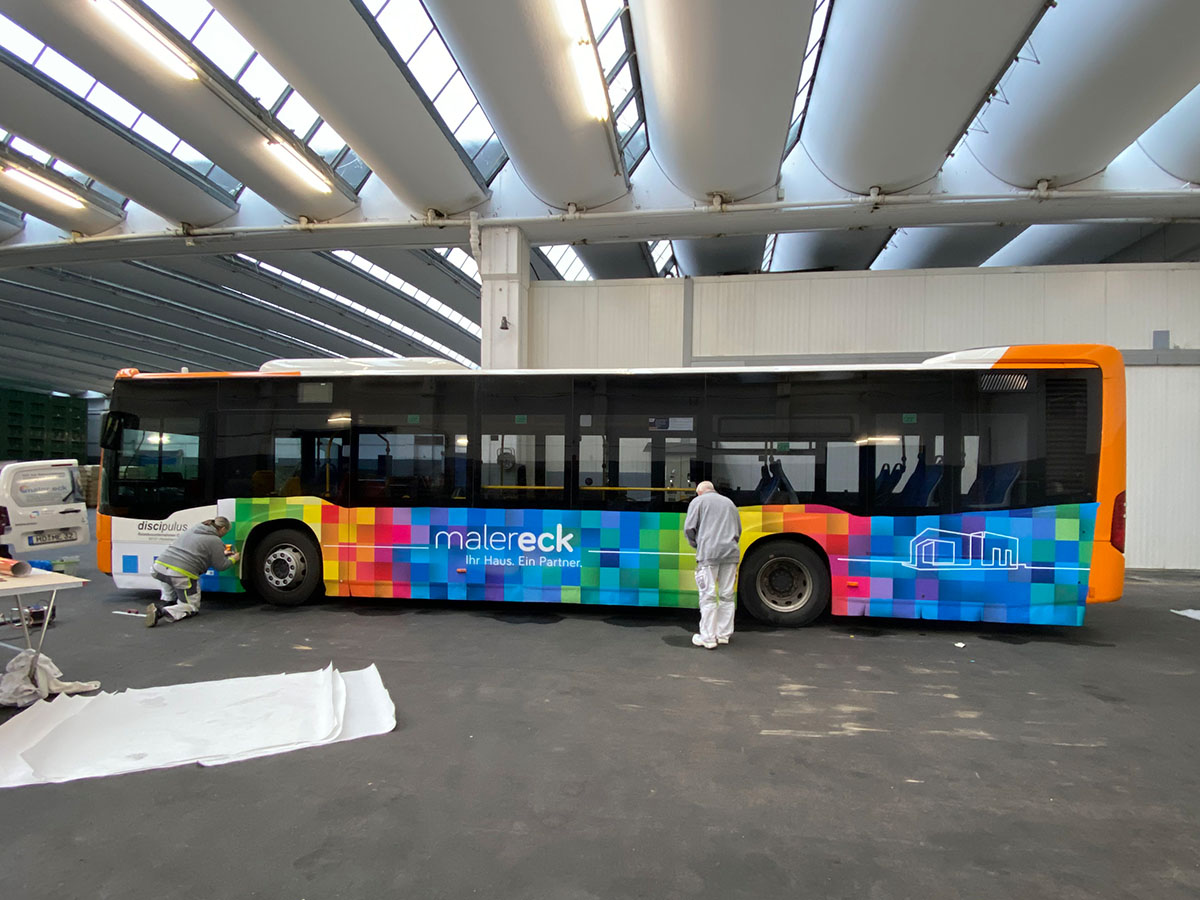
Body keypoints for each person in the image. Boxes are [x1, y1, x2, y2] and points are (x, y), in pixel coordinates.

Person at [146, 516, 240, 627]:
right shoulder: (215, 540)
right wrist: (234, 559)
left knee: (169, 580)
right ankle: (161, 612)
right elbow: (221, 566)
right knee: (191, 607)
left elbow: (195, 552)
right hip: (180, 574)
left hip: (159, 568)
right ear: (223, 529)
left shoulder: (193, 530)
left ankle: (168, 601)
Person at [683, 481, 742, 649]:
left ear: (700, 492)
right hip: (730, 554)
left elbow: (689, 528)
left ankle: (708, 638)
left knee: (708, 595)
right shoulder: (729, 503)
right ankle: (724, 634)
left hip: (709, 554)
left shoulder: (698, 502)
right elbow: (738, 529)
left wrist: (697, 544)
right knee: (727, 594)